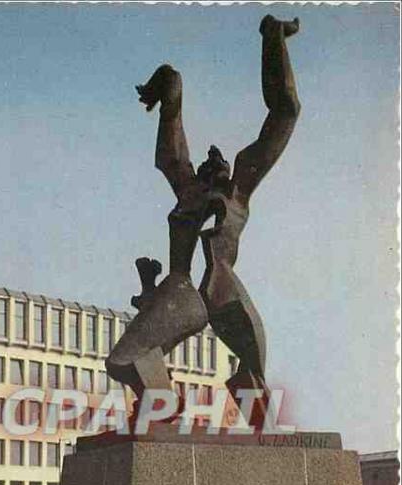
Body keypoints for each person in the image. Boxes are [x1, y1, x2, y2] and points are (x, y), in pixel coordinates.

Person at [107, 15, 300, 427]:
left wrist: (273, 40)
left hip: (224, 291)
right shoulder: (190, 192)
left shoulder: (238, 194)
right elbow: (173, 151)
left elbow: (285, 112)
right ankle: (162, 407)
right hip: (186, 294)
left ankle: (263, 438)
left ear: (231, 170)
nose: (215, 158)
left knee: (255, 384)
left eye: (221, 160)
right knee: (122, 360)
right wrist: (171, 89)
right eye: (209, 161)